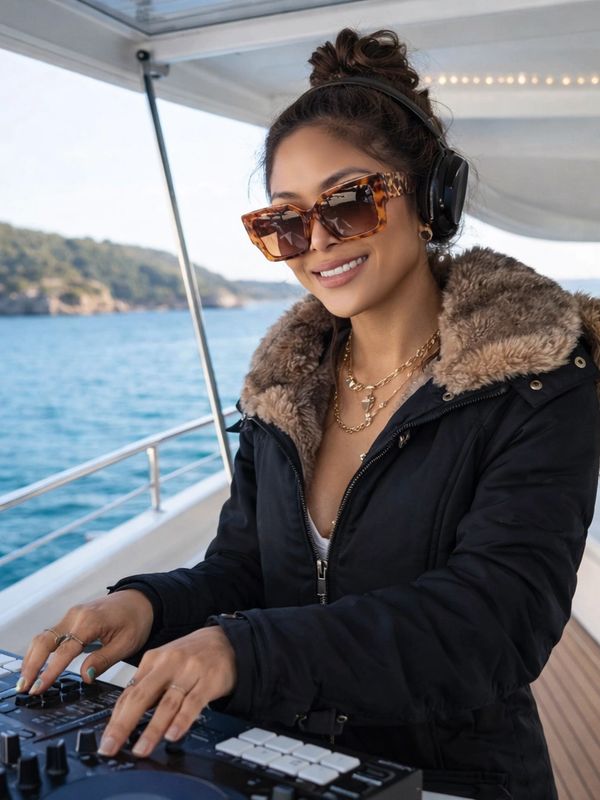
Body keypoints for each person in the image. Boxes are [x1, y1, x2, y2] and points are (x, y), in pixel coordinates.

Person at [17, 28, 600, 800]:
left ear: (432, 201)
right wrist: (146, 603)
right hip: (274, 763)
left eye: (350, 202)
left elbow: (493, 621)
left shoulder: (541, 383)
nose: (317, 242)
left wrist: (245, 651)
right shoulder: (282, 392)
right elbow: (244, 570)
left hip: (455, 778)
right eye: (284, 221)